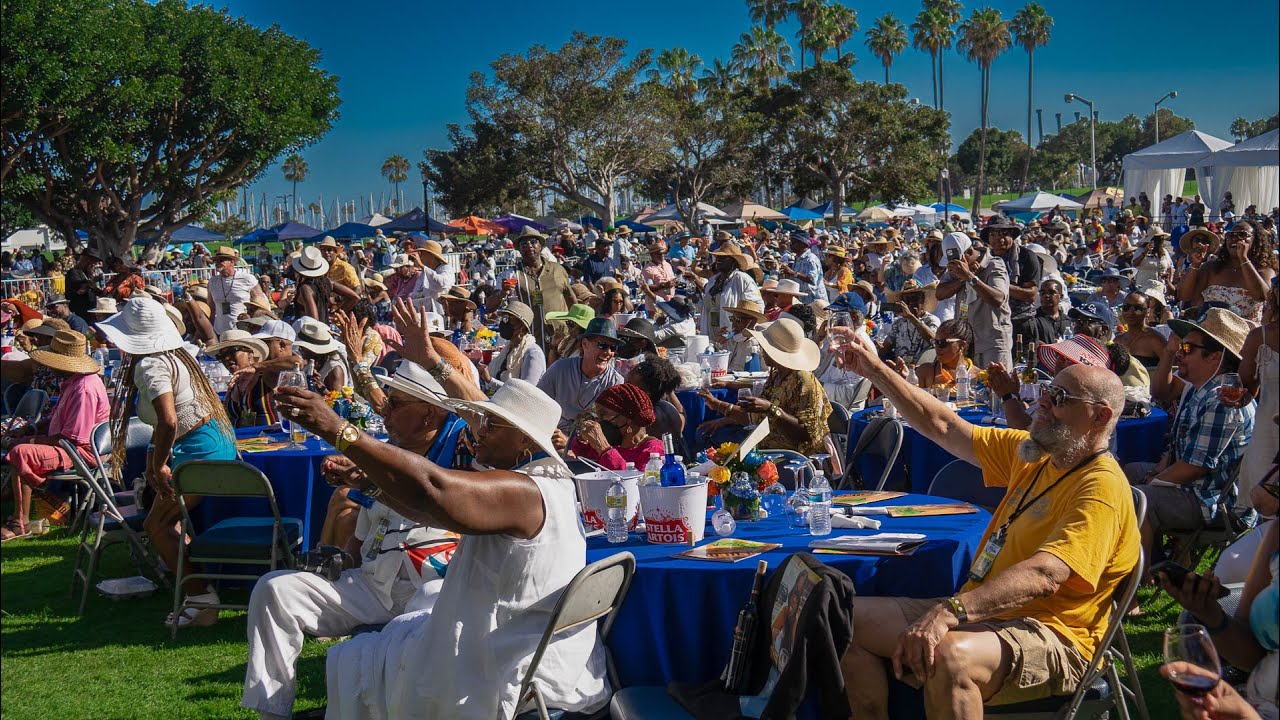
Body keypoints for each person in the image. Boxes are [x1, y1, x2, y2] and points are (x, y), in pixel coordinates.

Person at [834, 330, 1138, 717]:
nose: (1041, 401)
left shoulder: (1101, 487)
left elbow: (1047, 574)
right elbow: (942, 425)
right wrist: (876, 371)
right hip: (989, 617)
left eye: (1059, 399)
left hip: (1058, 637)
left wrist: (950, 611)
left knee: (948, 656)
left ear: (1100, 417)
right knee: (839, 620)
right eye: (1047, 389)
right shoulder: (1037, 454)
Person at [275, 373, 610, 720]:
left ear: (524, 441)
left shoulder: (524, 491)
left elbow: (434, 487)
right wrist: (369, 485)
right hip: (535, 651)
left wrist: (339, 430)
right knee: (390, 643)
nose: (479, 431)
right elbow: (435, 513)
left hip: (505, 667)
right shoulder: (551, 485)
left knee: (367, 656)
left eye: (492, 425)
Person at [240, 360, 466, 720]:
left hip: (434, 591)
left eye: (395, 404)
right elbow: (360, 538)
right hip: (374, 585)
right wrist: (341, 559)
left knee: (426, 604)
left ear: (428, 415)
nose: (384, 411)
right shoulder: (380, 453)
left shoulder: (460, 454)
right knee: (275, 589)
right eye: (387, 402)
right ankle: (273, 711)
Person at [96, 297, 238, 627]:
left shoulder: (150, 366)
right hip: (206, 443)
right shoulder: (173, 357)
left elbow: (168, 421)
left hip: (200, 451)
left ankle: (202, 598)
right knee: (166, 522)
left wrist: (158, 464)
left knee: (156, 525)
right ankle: (197, 590)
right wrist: (153, 461)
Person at [1130, 309, 1257, 564]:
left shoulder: (1222, 399)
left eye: (1188, 349)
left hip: (1214, 502)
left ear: (1215, 358)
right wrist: (1154, 474)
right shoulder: (1200, 389)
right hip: (1197, 489)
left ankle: (1138, 577)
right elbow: (1179, 449)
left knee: (1136, 497)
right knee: (1130, 471)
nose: (1179, 352)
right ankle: (1160, 561)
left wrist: (1153, 481)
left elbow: (1194, 467)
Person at [1, 330, 109, 541]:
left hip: (82, 451)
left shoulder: (83, 389)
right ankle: (17, 498)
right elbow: (58, 420)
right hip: (70, 444)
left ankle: (20, 523)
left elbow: (72, 438)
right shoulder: (73, 383)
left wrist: (28, 440)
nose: (48, 366)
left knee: (22, 451)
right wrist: (31, 429)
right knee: (19, 446)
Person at [696, 318, 831, 455]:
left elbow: (805, 434)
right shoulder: (776, 375)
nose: (761, 351)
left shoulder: (803, 380)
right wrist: (719, 406)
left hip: (794, 455)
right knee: (704, 435)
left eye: (764, 347)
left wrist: (771, 409)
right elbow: (753, 417)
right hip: (766, 445)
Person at [936, 231, 1013, 368]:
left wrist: (971, 278)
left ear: (969, 252)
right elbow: (940, 293)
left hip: (992, 344)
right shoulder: (957, 269)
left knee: (996, 386)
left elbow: (997, 299)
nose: (953, 266)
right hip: (967, 345)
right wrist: (962, 278)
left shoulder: (994, 265)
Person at [490, 227, 576, 348]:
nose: (529, 246)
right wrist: (502, 293)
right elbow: (489, 307)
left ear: (540, 246)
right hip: (529, 342)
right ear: (519, 249)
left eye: (533, 242)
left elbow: (571, 299)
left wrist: (576, 327)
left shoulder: (558, 269)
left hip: (560, 339)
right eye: (524, 243)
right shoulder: (510, 274)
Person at [1235, 286, 1279, 512]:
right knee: (1267, 507)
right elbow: (1246, 389)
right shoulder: (1258, 337)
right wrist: (1234, 397)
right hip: (1268, 434)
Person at [539, 318, 624, 435]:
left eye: (613, 348)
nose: (608, 352)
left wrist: (571, 443)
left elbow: (611, 431)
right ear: (585, 344)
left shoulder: (616, 383)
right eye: (602, 345)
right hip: (552, 436)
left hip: (590, 446)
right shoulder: (560, 369)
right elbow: (538, 404)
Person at [1179, 222, 1277, 322]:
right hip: (1210, 329)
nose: (1235, 238)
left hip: (1245, 334)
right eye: (1231, 235)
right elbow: (1184, 296)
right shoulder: (1211, 268)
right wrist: (1195, 265)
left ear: (1255, 240)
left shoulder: (1264, 271)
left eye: (1242, 235)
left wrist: (1243, 259)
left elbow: (1261, 296)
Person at [569, 382, 663, 470]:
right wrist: (583, 438)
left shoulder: (653, 451)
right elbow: (583, 453)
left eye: (603, 414)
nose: (599, 421)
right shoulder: (616, 445)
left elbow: (628, 481)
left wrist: (603, 448)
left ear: (628, 418)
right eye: (598, 416)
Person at [984, 217, 1042, 342]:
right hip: (993, 323)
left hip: (1021, 322)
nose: (999, 239)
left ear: (1012, 236)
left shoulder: (1026, 256)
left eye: (1004, 234)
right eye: (993, 234)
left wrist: (998, 286)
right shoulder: (985, 259)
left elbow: (1030, 295)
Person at [690, 243, 762, 338]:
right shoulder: (713, 281)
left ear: (733, 261)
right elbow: (707, 306)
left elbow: (756, 309)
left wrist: (733, 334)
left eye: (724, 258)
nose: (719, 260)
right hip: (712, 334)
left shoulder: (743, 280)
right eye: (718, 257)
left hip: (733, 338)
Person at [208, 330, 272, 428]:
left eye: (231, 352)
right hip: (242, 441)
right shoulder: (234, 384)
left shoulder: (266, 376)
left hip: (272, 439)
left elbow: (297, 362)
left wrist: (256, 367)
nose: (226, 358)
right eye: (222, 355)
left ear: (250, 353)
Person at [479, 301, 545, 392]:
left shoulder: (533, 354)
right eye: (502, 318)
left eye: (507, 319)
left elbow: (527, 392)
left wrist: (490, 381)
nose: (503, 322)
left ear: (521, 326)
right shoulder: (508, 349)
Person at [882, 280, 940, 365]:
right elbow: (886, 347)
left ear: (922, 299)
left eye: (914, 298)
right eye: (907, 299)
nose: (911, 303)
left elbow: (934, 340)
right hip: (901, 368)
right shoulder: (899, 323)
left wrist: (912, 317)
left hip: (922, 369)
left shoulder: (932, 320)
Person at [912, 318, 976, 389]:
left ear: (961, 345)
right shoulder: (925, 372)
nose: (937, 347)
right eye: (935, 342)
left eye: (942, 343)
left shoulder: (979, 376)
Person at [1114, 291, 1167, 370]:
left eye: (1138, 308)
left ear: (1148, 312)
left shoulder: (1156, 341)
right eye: (1126, 307)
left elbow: (1170, 369)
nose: (1131, 312)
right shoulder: (1118, 340)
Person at [293, 318, 349, 391]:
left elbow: (338, 400)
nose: (300, 349)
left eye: (303, 348)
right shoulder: (312, 362)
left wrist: (320, 387)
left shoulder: (334, 369)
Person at [282, 247, 333, 323]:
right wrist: (335, 312)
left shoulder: (305, 288)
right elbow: (354, 297)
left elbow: (314, 320)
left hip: (310, 332)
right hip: (325, 327)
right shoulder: (326, 282)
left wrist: (294, 322)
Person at [408, 239, 454, 315]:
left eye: (422, 254)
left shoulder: (446, 268)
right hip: (424, 313)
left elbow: (442, 284)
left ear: (431, 255)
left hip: (439, 312)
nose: (420, 257)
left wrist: (422, 266)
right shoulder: (424, 272)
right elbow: (418, 291)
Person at [722, 300, 768, 372]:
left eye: (738, 319)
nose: (734, 323)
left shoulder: (760, 342)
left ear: (752, 321)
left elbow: (766, 371)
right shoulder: (730, 339)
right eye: (732, 319)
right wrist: (719, 343)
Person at [638, 239, 677, 315]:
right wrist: (663, 285)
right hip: (655, 306)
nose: (662, 256)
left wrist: (675, 282)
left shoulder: (668, 265)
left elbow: (672, 279)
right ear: (652, 255)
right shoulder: (648, 269)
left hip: (670, 302)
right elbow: (648, 288)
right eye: (658, 254)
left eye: (663, 253)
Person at [1028, 278, 1069, 346]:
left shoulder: (1067, 321)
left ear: (1061, 296)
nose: (1046, 296)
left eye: (1051, 292)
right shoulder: (1032, 319)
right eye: (1043, 293)